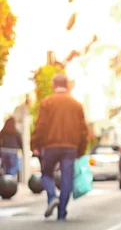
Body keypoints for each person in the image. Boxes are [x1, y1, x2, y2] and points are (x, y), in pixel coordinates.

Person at [31, 74, 89, 220]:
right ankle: (62, 212)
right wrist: (81, 150)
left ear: (53, 85)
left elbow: (41, 126)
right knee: (66, 178)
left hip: (51, 146)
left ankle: (52, 197)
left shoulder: (47, 102)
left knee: (46, 173)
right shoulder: (76, 105)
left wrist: (35, 144)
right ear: (67, 85)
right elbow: (84, 130)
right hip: (70, 147)